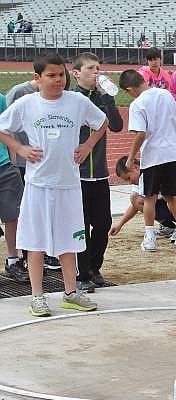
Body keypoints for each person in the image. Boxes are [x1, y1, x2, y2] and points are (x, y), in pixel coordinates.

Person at [0, 53, 108, 317]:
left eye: (61, 74)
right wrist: (18, 147)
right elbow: (3, 128)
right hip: (38, 186)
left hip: (69, 185)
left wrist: (87, 145)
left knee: (68, 242)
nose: (58, 80)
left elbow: (102, 122)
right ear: (38, 78)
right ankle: (37, 296)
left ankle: (71, 293)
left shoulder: (77, 102)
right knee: (35, 242)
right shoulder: (27, 104)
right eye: (51, 75)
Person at [119, 69, 176, 251]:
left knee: (149, 197)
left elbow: (140, 134)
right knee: (171, 194)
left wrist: (130, 157)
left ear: (130, 89)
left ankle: (150, 237)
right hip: (171, 154)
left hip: (152, 156)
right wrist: (175, 146)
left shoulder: (137, 104)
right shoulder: (165, 94)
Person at [71, 52, 123, 292]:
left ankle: (94, 267)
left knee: (102, 224)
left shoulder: (102, 97)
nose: (96, 73)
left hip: (100, 172)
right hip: (77, 174)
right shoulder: (71, 99)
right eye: (91, 69)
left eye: (98, 68)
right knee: (81, 225)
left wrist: (108, 99)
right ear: (77, 73)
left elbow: (117, 125)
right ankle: (81, 274)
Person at [111, 156, 176, 239]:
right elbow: (134, 206)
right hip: (170, 206)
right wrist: (119, 224)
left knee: (170, 193)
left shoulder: (157, 169)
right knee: (136, 198)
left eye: (128, 178)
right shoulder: (138, 183)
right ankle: (169, 227)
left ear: (135, 167)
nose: (129, 182)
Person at [0, 92, 28, 283]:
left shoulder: (1, 99)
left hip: (4, 166)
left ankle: (13, 260)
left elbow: (6, 130)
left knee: (13, 216)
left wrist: (12, 161)